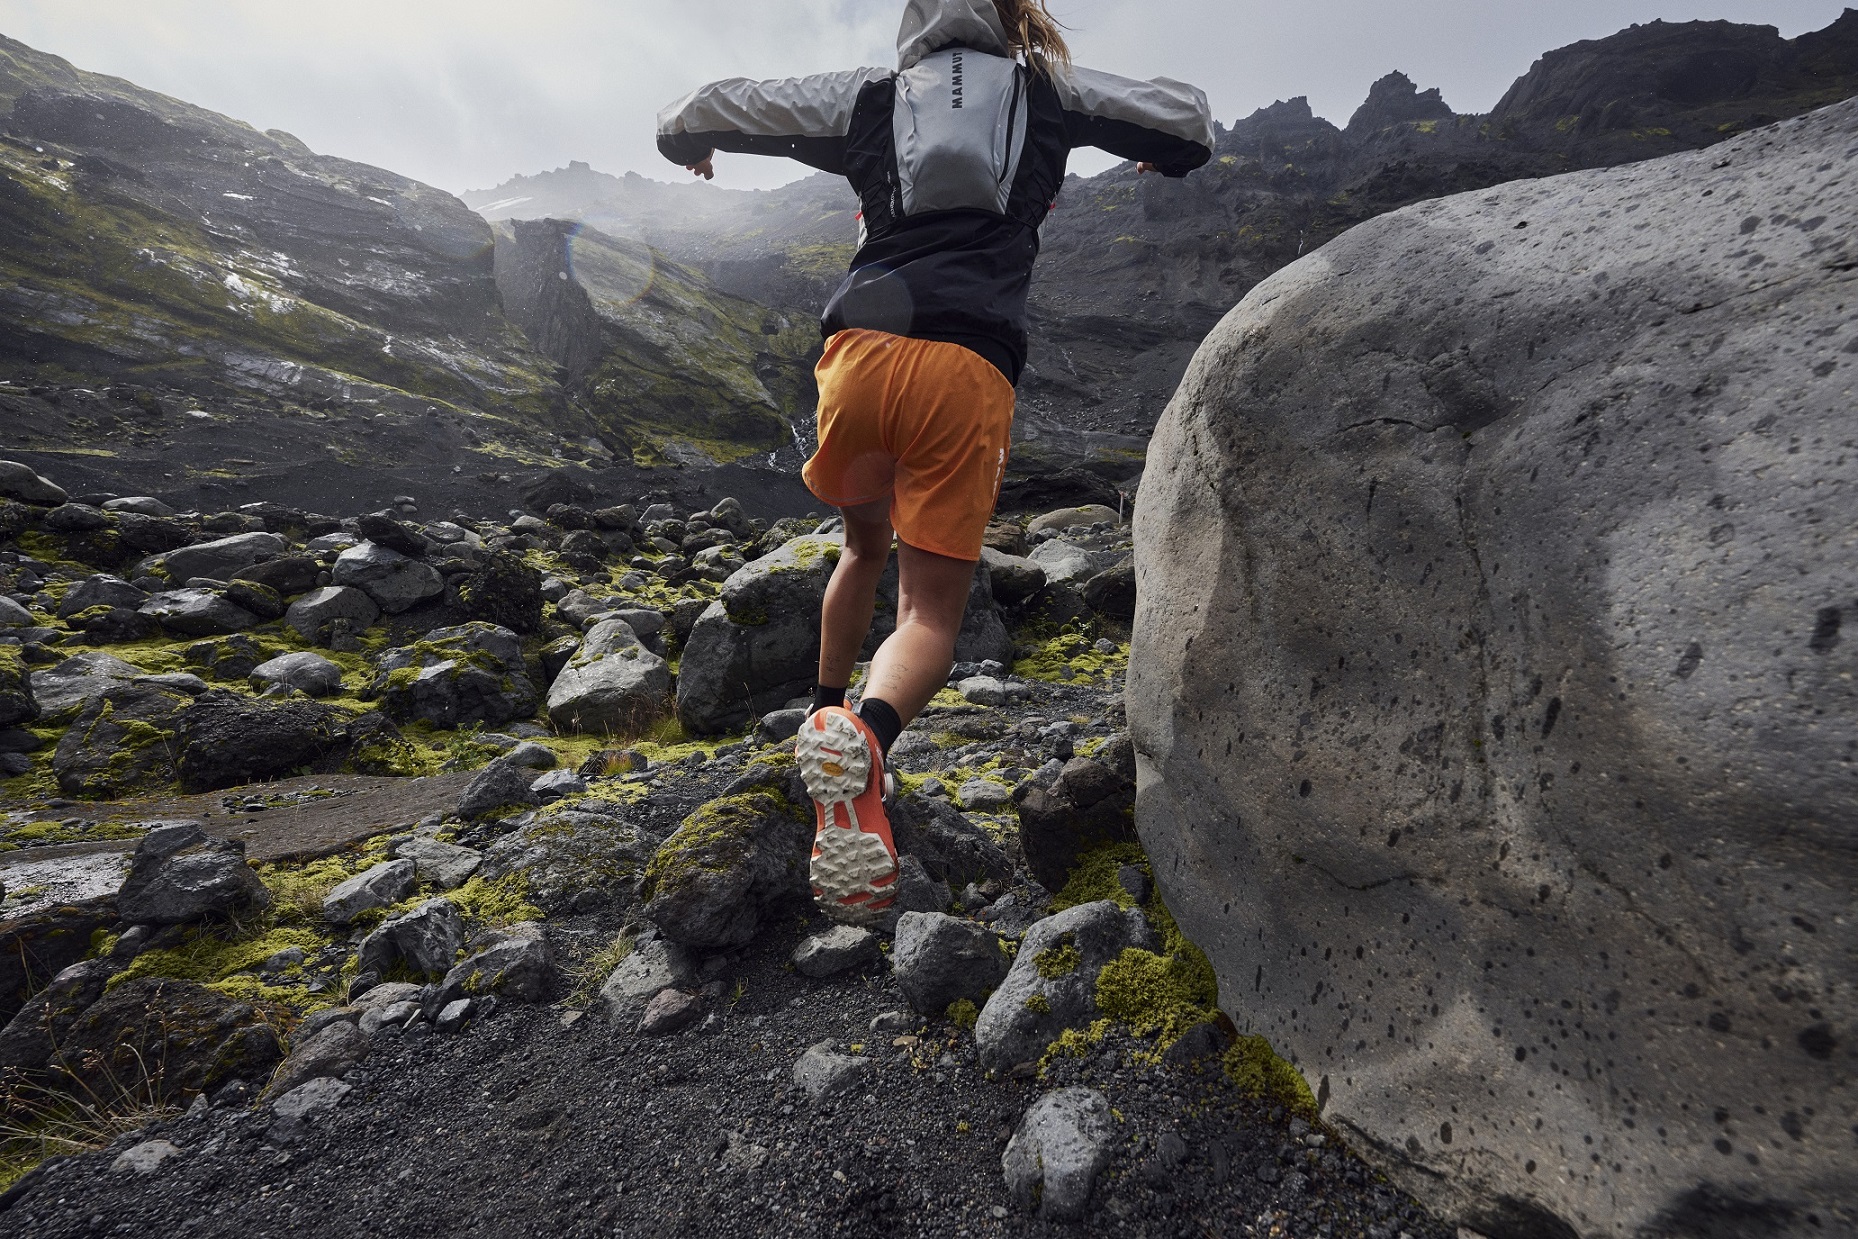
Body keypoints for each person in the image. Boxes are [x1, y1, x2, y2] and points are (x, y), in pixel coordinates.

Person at [656, 0, 1213, 924]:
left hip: (862, 357)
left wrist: (689, 148)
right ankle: (865, 742)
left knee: (859, 553)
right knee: (926, 616)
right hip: (967, 366)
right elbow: (1186, 116)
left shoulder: (871, 93)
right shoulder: (1050, 90)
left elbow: (714, 104)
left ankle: (822, 714)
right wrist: (1168, 153)